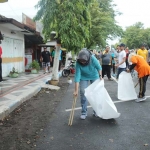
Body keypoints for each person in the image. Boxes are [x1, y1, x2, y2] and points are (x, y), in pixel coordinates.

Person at [73, 49, 102, 120]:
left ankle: (96, 111)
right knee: (83, 93)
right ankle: (84, 112)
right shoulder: (78, 63)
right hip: (83, 77)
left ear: (88, 58)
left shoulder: (93, 59)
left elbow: (99, 67)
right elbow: (77, 77)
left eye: (84, 61)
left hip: (94, 75)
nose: (82, 62)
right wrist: (76, 90)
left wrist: (100, 76)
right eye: (81, 61)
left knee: (96, 93)